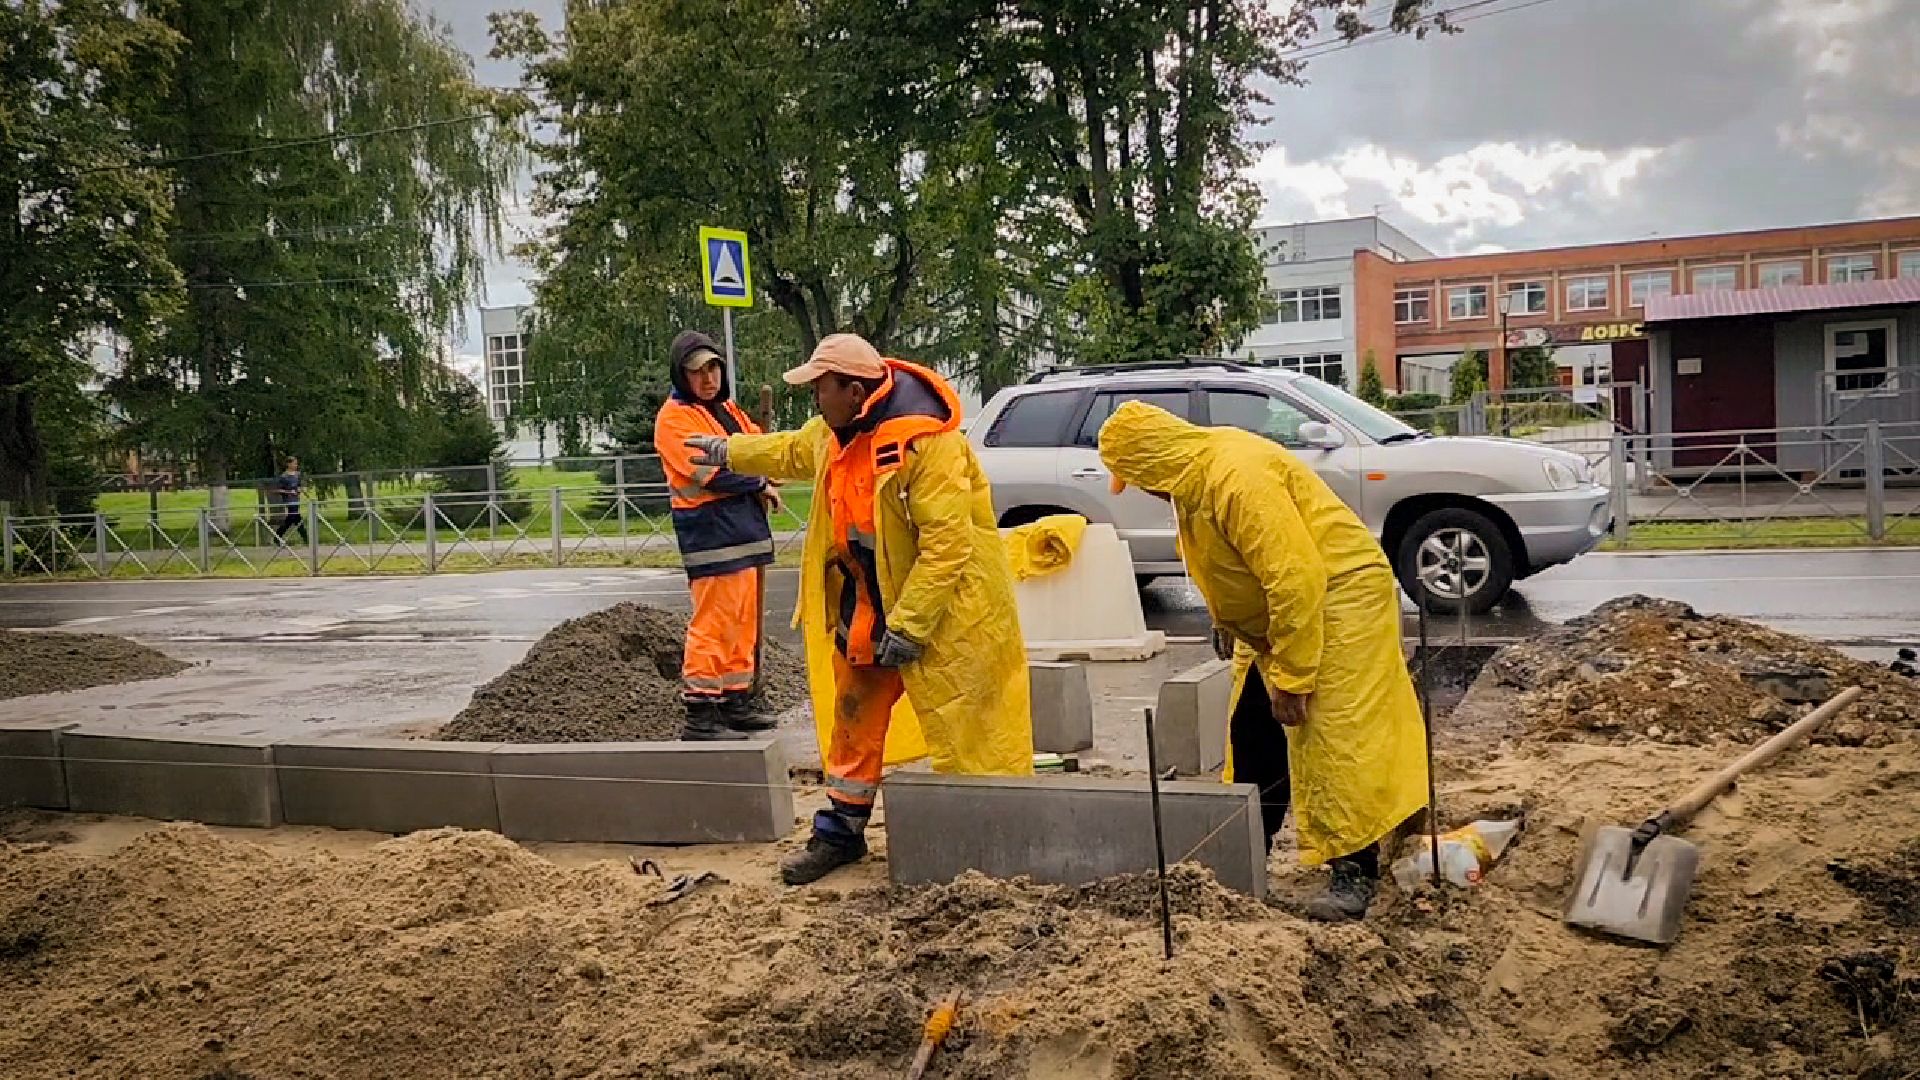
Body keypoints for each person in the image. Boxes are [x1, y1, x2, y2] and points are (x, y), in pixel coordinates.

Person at [686, 332, 1033, 885]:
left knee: (971, 732)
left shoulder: (926, 445)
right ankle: (840, 833)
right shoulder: (837, 432)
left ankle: (990, 842)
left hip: (948, 614)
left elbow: (948, 546)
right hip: (869, 603)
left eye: (820, 388)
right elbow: (792, 451)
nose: (814, 400)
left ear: (853, 390)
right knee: (853, 720)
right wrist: (732, 451)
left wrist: (914, 624)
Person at [1097, 400, 1428, 921]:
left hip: (1338, 599)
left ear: (1150, 462)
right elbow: (1231, 561)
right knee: (1252, 725)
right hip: (1282, 613)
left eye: (1136, 479)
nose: (1142, 491)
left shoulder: (1236, 476)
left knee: (1331, 734)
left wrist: (1295, 677)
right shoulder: (1193, 479)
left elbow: (1297, 578)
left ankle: (1353, 869)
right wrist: (1229, 620)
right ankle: (1246, 850)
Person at [653, 330, 780, 740]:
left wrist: (768, 464)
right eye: (697, 371)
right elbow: (713, 473)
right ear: (681, 375)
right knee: (715, 622)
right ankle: (701, 714)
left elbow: (760, 451)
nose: (708, 378)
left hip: (741, 530)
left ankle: (734, 699)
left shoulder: (726, 410)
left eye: (714, 368)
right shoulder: (675, 418)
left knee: (741, 621)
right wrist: (760, 479)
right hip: (711, 534)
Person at [272, 457, 306, 544]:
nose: (296, 465)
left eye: (296, 463)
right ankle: (306, 538)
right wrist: (288, 492)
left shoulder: (297, 475)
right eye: (294, 463)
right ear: (289, 464)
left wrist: (299, 490)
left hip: (296, 500)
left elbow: (299, 486)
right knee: (294, 517)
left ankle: (277, 536)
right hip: (289, 500)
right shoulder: (284, 477)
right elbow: (278, 490)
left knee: (293, 519)